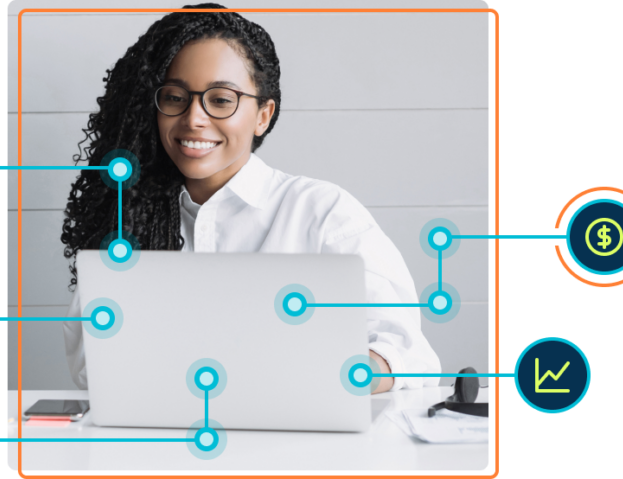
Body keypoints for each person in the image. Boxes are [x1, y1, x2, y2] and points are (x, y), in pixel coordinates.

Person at [60, 3, 441, 394]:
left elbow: (406, 354)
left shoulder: (322, 214)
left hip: (300, 444)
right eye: (175, 97)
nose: (194, 118)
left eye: (221, 100)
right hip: (163, 446)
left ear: (263, 115)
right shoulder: (127, 225)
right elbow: (94, 368)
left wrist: (303, 380)